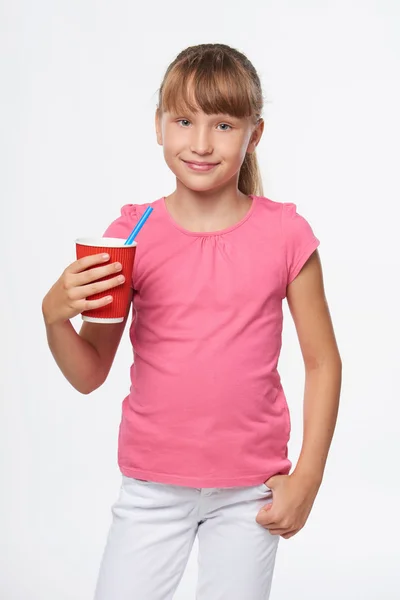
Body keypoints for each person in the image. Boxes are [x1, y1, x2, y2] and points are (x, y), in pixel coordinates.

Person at [42, 43, 342, 600]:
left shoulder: (287, 235)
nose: (201, 143)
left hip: (251, 491)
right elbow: (89, 374)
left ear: (254, 134)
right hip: (152, 487)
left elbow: (323, 361)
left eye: (223, 124)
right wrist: (53, 317)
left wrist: (307, 477)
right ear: (158, 126)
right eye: (184, 120)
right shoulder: (130, 235)